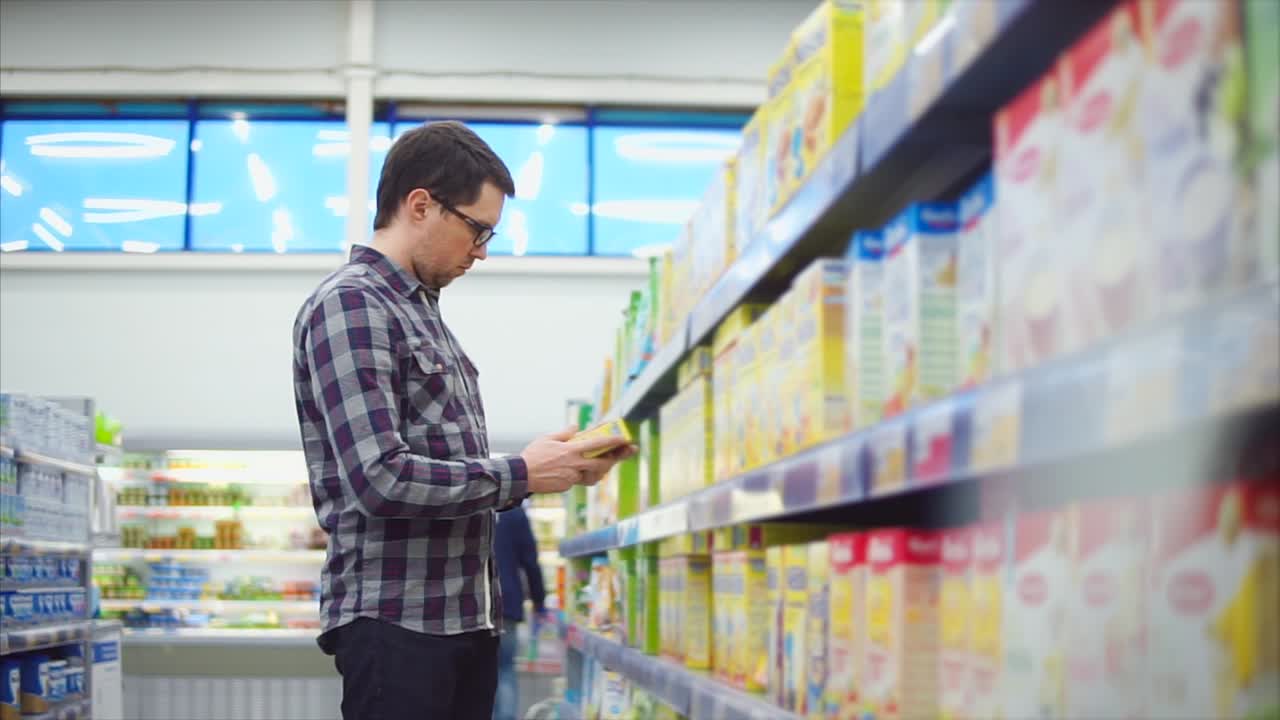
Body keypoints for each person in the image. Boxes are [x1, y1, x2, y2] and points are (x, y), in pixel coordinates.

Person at [292, 120, 635, 720]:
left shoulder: (420, 313)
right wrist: (520, 474)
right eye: (477, 229)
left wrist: (550, 465)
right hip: (398, 624)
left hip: (459, 619)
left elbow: (442, 465)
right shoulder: (351, 304)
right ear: (420, 205)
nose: (481, 251)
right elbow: (380, 478)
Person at [493, 503, 547, 720]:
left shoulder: (466, 496)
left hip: (470, 603)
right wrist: (539, 601)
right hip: (506, 601)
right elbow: (530, 561)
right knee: (505, 669)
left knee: (475, 673)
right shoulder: (513, 510)